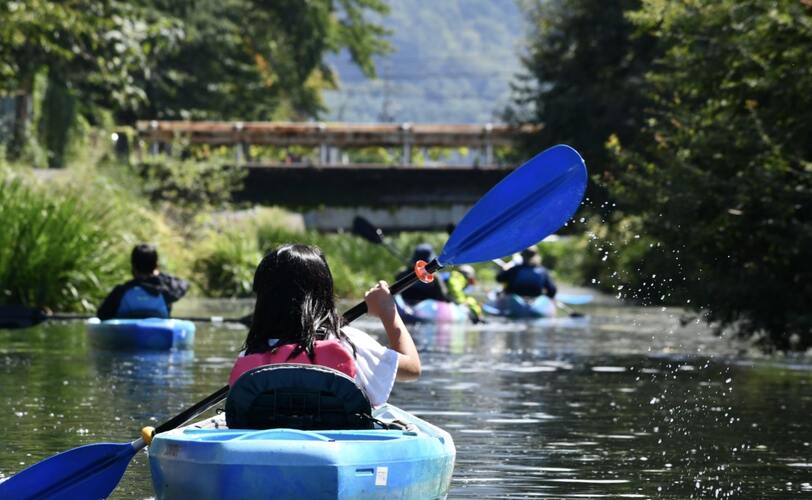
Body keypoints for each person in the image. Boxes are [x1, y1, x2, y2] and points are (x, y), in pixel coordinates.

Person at [228, 244, 420, 407]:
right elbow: (412, 369)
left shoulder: (251, 353)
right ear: (325, 293)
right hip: (337, 443)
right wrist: (388, 312)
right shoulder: (349, 343)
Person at [96, 244, 189, 320]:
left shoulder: (121, 291)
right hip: (158, 337)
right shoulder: (167, 291)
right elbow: (184, 284)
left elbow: (102, 315)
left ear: (133, 266)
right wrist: (159, 275)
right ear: (156, 266)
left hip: (126, 337)